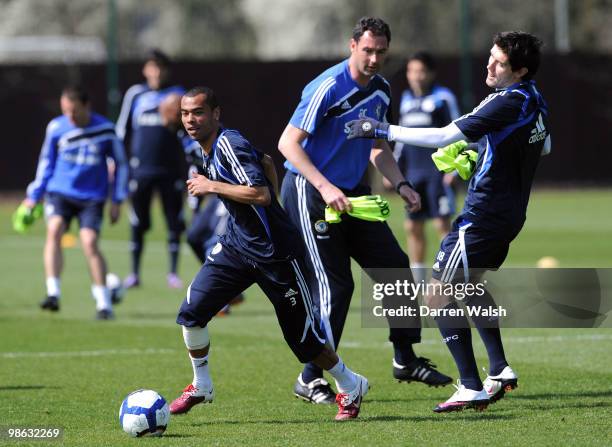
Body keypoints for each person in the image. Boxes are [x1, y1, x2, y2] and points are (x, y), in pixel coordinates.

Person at [347, 31, 550, 412]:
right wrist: (482, 151)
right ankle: (500, 368)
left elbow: (442, 135)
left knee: (438, 293)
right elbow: (545, 144)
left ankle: (471, 385)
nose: (489, 64)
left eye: (500, 62)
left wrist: (381, 129)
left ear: (519, 70)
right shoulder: (534, 98)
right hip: (507, 213)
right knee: (471, 288)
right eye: (490, 56)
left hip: (484, 215)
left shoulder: (507, 101)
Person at [278, 16, 452, 405]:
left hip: (354, 196)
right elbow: (288, 144)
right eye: (368, 50)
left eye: (382, 52)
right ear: (352, 45)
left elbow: (378, 146)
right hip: (310, 192)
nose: (374, 58)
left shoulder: (382, 89)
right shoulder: (327, 86)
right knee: (336, 286)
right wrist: (325, 187)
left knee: (396, 269)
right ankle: (309, 377)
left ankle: (405, 359)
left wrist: (402, 183)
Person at [170, 86, 368, 421]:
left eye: (199, 112)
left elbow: (259, 193)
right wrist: (270, 205)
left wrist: (213, 186)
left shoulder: (228, 143)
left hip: (277, 256)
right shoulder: (208, 146)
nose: (191, 120)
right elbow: (266, 162)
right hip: (236, 247)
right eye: (186, 114)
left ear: (216, 114)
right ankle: (201, 384)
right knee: (191, 313)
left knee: (303, 342)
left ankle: (351, 384)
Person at [24, 86, 128, 320]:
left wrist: (117, 200)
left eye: (74, 111)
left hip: (92, 197)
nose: (70, 116)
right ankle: (53, 293)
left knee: (89, 242)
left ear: (86, 106)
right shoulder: (56, 127)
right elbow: (46, 161)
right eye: (66, 111)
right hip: (60, 192)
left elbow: (121, 164)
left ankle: (104, 304)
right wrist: (34, 194)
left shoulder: (105, 130)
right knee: (54, 230)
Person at [115, 49, 187, 289]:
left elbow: (191, 132)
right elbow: (121, 131)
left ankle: (173, 274)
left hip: (171, 170)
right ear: (145, 70)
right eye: (152, 67)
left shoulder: (179, 95)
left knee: (173, 221)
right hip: (140, 170)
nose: (156, 72)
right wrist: (114, 163)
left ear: (166, 70)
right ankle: (134, 274)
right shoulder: (136, 94)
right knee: (139, 222)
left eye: (160, 67)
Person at [392, 52, 461, 285]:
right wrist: (393, 169)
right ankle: (418, 282)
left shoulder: (443, 98)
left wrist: (452, 171)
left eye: (421, 71)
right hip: (413, 174)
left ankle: (452, 278)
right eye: (412, 71)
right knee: (412, 226)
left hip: (437, 175)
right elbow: (401, 139)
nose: (416, 76)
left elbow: (457, 134)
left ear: (430, 73)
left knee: (443, 224)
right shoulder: (405, 99)